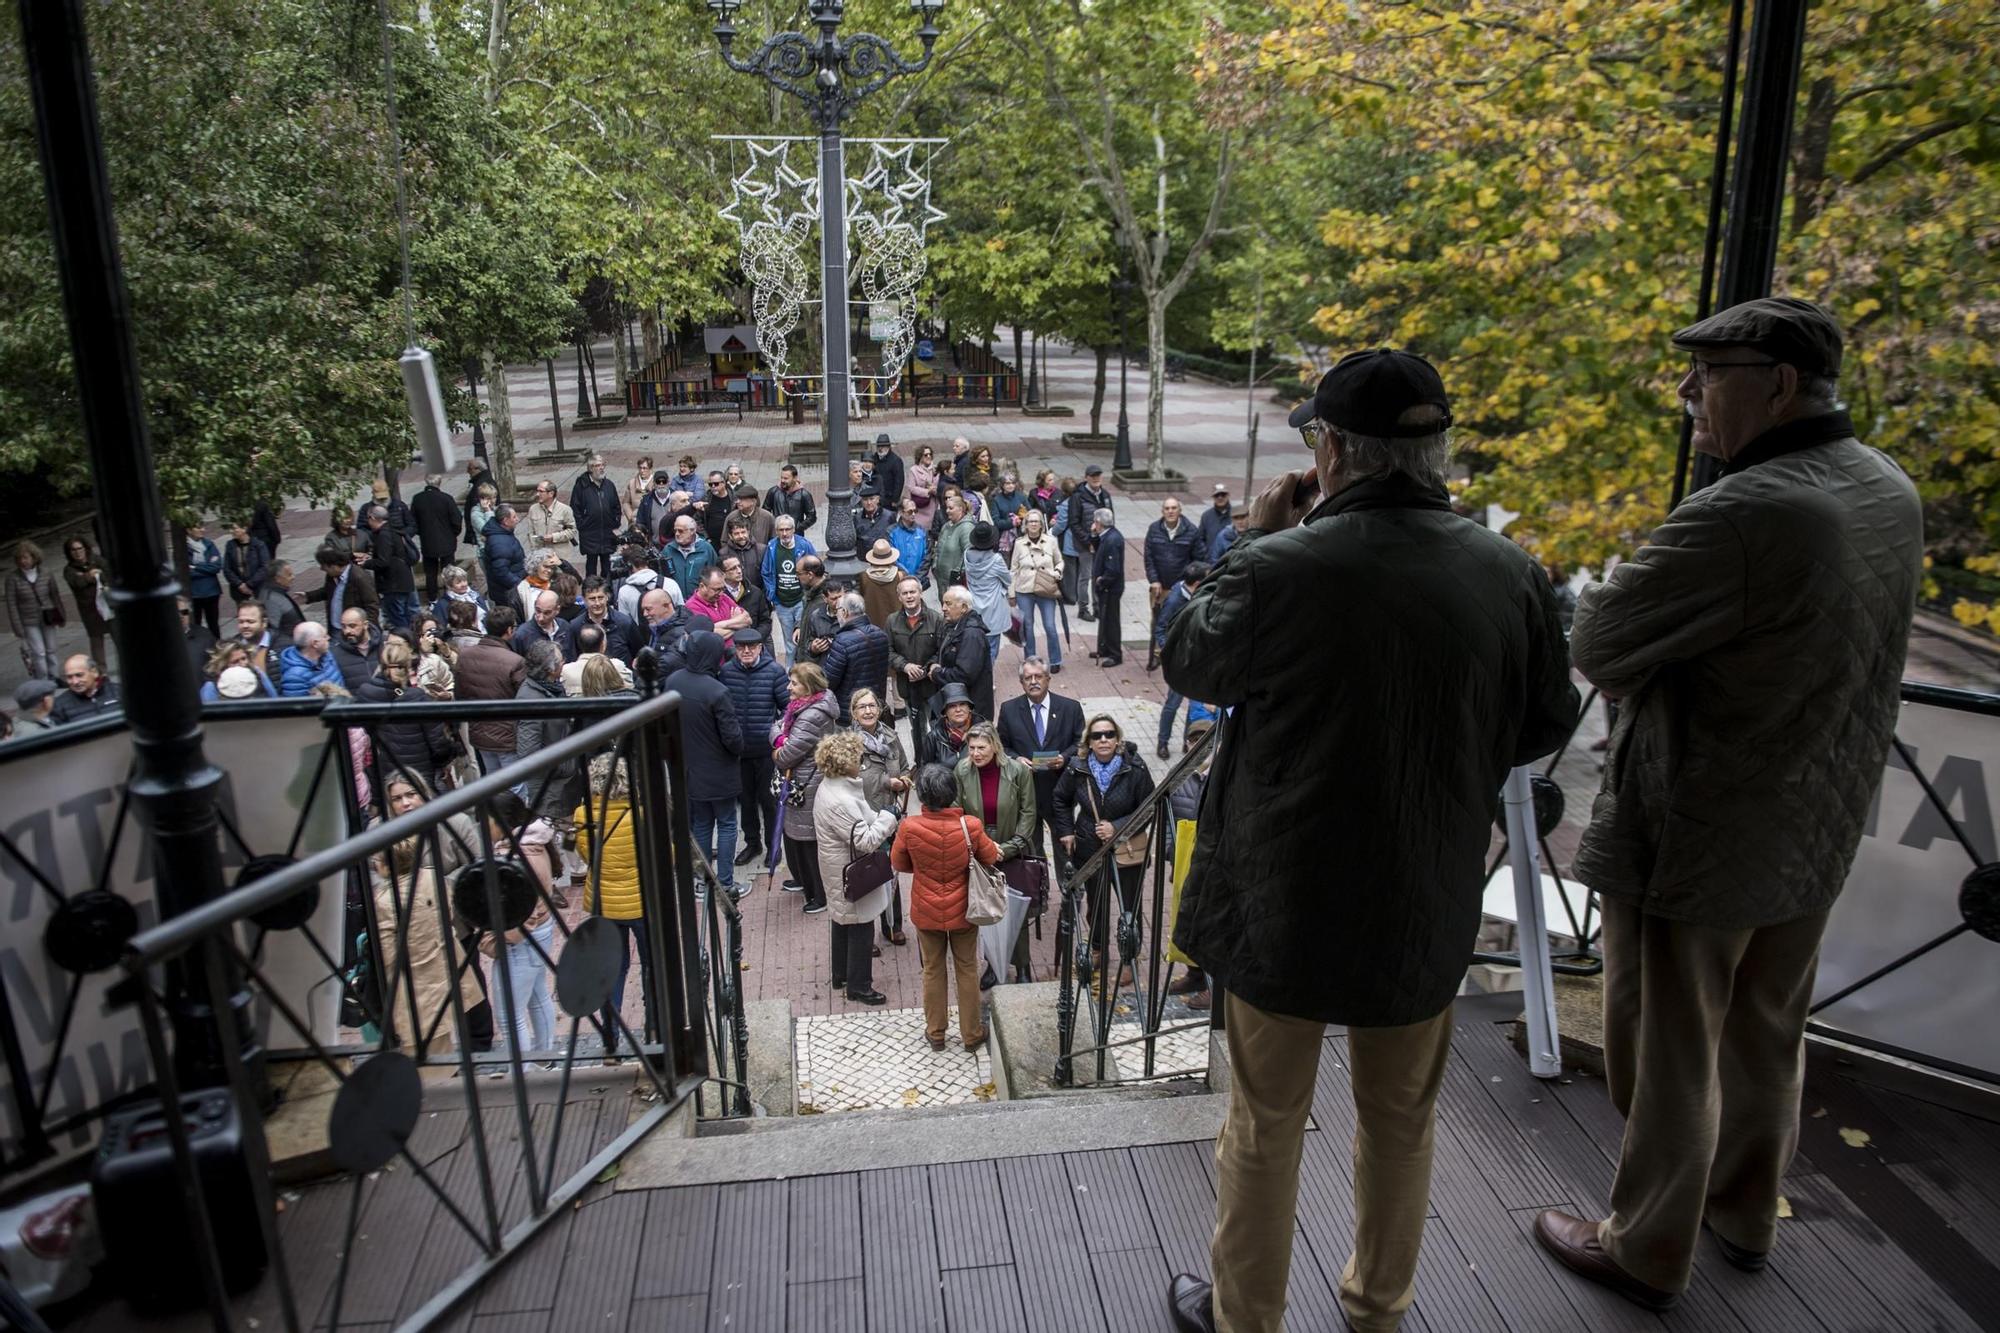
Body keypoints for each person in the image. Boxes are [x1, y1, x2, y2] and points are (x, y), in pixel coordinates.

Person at [1159, 348, 1579, 1333]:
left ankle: (1244, 1314)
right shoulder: (1508, 573)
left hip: (1283, 897)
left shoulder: (1274, 567)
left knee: (1263, 1122)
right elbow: (1542, 718)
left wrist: (1246, 539)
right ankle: (1378, 1307)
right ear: (1432, 454)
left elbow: (1191, 662)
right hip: (1420, 890)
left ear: (1332, 452)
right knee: (1400, 1121)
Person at [1533, 299, 1924, 1312]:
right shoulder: (1885, 487)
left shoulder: (1745, 509)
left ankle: (1641, 1245)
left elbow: (1602, 640)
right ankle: (1744, 1210)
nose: (1686, 396)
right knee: (1765, 1028)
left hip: (1702, 827)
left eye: (1707, 375)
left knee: (1664, 1044)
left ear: (1778, 384)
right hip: (1817, 817)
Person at [371, 774, 482, 1055]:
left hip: (454, 922)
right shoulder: (379, 830)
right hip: (407, 931)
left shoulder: (454, 823)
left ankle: (479, 1049)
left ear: (424, 792)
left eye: (411, 794)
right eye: (397, 798)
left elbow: (477, 866)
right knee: (420, 1003)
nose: (406, 803)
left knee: (469, 988)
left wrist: (436, 884)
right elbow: (371, 873)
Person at [891, 763, 999, 1049]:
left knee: (932, 969)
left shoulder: (910, 827)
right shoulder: (971, 826)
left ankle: (936, 1032)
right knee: (967, 968)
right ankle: (971, 1033)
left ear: (923, 796)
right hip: (965, 909)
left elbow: (899, 863)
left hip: (926, 910)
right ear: (952, 792)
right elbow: (989, 857)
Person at [1050, 715, 1154, 982]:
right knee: (1095, 903)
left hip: (1127, 850)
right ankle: (1097, 950)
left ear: (1118, 739)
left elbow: (1150, 808)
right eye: (1097, 736)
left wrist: (1116, 827)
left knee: (1129, 905)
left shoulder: (1136, 769)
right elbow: (1060, 798)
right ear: (1089, 742)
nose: (1104, 739)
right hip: (1089, 848)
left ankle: (1129, 958)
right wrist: (1066, 831)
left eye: (1109, 734)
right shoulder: (1077, 768)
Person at [812, 729, 899, 1005]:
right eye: (857, 758)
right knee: (861, 924)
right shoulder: (841, 799)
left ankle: (841, 975)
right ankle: (859, 986)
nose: (861, 762)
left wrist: (877, 817)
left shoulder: (834, 786)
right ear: (844, 763)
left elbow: (863, 817)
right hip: (850, 869)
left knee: (842, 919)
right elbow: (866, 840)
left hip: (835, 865)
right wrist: (889, 817)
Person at [576, 753, 650, 1062]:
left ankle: (611, 1040)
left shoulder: (583, 815)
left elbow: (584, 857)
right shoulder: (642, 814)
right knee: (652, 968)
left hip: (604, 903)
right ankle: (656, 1030)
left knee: (613, 971)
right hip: (641, 902)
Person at [953, 721, 1037, 981]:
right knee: (987, 910)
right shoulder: (962, 770)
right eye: (972, 747)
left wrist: (1012, 847)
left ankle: (1022, 967)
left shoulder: (1017, 771)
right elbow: (957, 811)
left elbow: (1028, 812)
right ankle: (992, 964)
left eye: (981, 747)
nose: (976, 753)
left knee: (1015, 910)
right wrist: (978, 846)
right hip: (978, 851)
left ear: (995, 746)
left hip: (1012, 848)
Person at [666, 631, 747, 898]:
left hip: (689, 768)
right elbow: (732, 737)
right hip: (719, 770)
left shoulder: (674, 681)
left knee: (701, 824)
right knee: (726, 824)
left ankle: (702, 881)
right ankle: (725, 883)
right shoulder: (717, 690)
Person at [482, 789, 559, 1063]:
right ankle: (545, 1059)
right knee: (537, 997)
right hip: (538, 933)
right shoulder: (531, 845)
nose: (482, 827)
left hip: (521, 939)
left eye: (486, 821)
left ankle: (523, 1074)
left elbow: (524, 909)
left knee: (509, 1014)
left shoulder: (516, 857)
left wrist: (502, 940)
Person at [997, 658, 1083, 864]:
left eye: (1038, 677)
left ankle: (1070, 891)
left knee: (1065, 847)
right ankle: (1038, 889)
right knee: (1032, 849)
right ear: (1021, 682)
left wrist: (1065, 758)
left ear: (1048, 679)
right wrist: (1016, 759)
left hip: (1060, 792)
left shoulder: (1070, 708)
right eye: (1028, 678)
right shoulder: (1009, 709)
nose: (1033, 681)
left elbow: (1081, 743)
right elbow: (1001, 745)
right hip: (1026, 794)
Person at [772, 662, 840, 912]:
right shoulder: (802, 706)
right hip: (800, 782)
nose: (789, 687)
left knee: (808, 841)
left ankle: (818, 895)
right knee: (796, 837)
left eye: (794, 683)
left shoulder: (812, 714)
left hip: (807, 784)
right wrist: (780, 736)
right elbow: (777, 725)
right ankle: (803, 881)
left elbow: (786, 755)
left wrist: (779, 744)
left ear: (808, 686)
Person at [849, 687, 912, 945]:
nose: (868, 710)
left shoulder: (890, 736)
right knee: (867, 875)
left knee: (890, 869)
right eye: (862, 706)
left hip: (890, 814)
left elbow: (905, 767)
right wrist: (889, 782)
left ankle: (892, 925)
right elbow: (858, 780)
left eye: (872, 705)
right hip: (863, 817)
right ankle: (867, 933)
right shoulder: (848, 744)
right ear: (853, 712)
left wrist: (905, 780)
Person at [354, 638, 457, 792]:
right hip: (419, 773)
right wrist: (444, 760)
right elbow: (438, 743)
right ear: (408, 666)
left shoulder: (365, 693)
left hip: (385, 771)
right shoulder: (418, 697)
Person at [723, 629, 788, 871]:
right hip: (739, 752)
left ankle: (773, 846)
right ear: (736, 649)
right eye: (742, 647)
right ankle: (752, 843)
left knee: (768, 801)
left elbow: (787, 709)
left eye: (752, 646)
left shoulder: (774, 672)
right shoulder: (727, 673)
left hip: (766, 751)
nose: (747, 651)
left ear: (761, 647)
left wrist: (778, 736)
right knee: (746, 801)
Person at [512, 640, 583, 820]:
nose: (564, 664)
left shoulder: (551, 688)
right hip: (550, 791)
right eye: (560, 662)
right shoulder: (531, 700)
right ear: (550, 669)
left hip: (563, 784)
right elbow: (528, 753)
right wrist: (563, 766)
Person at [455, 605, 527, 774]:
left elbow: (459, 694)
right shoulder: (515, 661)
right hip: (508, 737)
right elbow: (525, 700)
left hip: (479, 731)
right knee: (515, 785)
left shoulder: (464, 656)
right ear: (509, 630)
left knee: (492, 783)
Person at [1153, 562, 1209, 758]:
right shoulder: (1175, 599)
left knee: (1194, 704)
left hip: (1195, 661)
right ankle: (1163, 742)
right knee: (1173, 704)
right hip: (1180, 663)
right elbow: (1160, 629)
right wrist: (1172, 652)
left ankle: (1189, 740)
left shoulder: (1196, 596)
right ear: (1198, 582)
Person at [1144, 498, 1201, 672]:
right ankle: (1155, 656)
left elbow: (1197, 559)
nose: (1170, 511)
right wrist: (1154, 579)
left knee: (1179, 622)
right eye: (1167, 508)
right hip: (1159, 586)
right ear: (1162, 511)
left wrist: (1186, 583)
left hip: (1181, 587)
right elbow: (1149, 557)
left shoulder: (1191, 531)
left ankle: (1177, 656)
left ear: (1180, 510)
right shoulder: (1154, 529)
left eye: (1174, 508)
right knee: (1157, 622)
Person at [889, 575, 943, 756]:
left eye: (913, 592)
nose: (909, 596)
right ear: (899, 597)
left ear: (920, 593)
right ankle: (920, 763)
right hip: (908, 687)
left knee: (937, 727)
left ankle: (939, 762)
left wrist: (926, 668)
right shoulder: (892, 621)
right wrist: (904, 666)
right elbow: (887, 651)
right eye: (905, 593)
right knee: (917, 730)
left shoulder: (936, 619)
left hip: (932, 686)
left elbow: (942, 651)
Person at [823, 591, 890, 725]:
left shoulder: (842, 641)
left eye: (837, 611)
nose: (837, 615)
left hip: (850, 710)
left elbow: (828, 681)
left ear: (844, 612)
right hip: (874, 705)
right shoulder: (880, 634)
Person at [1009, 510, 1065, 672]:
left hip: (1045, 588)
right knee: (1027, 626)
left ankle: (1055, 660)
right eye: (1030, 521)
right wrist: (1011, 593)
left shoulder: (1051, 541)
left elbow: (1059, 561)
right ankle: (1030, 659)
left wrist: (1057, 573)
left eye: (1036, 521)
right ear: (1025, 525)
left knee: (1050, 626)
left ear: (1041, 524)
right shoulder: (1019, 543)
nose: (1033, 524)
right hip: (1024, 589)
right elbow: (1013, 569)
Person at [929, 587, 994, 721]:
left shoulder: (972, 634)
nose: (943, 608)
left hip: (971, 712)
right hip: (960, 707)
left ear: (964, 607)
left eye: (948, 603)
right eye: (943, 603)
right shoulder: (954, 626)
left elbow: (964, 675)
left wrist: (937, 673)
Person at [7, 541, 65, 680]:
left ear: (34, 557)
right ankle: (43, 679)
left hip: (48, 616)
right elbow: (12, 604)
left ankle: (55, 677)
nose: (23, 561)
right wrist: (18, 628)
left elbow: (54, 595)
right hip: (28, 620)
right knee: (39, 652)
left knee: (51, 649)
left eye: (26, 557)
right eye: (20, 558)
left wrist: (61, 615)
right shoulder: (12, 579)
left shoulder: (46, 573)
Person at [762, 514, 815, 664]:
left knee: (803, 637)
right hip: (782, 602)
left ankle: (805, 669)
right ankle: (791, 672)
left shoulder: (804, 545)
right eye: (781, 530)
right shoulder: (772, 547)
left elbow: (816, 567)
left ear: (793, 529)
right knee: (789, 642)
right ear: (776, 531)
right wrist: (772, 595)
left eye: (787, 529)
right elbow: (766, 571)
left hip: (801, 599)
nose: (784, 533)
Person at [1066, 465, 1112, 620]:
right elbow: (1074, 523)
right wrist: (1088, 541)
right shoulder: (1077, 497)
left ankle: (1097, 606)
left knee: (1098, 575)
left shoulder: (1105, 495)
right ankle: (1083, 608)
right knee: (1085, 576)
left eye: (1098, 475)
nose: (1096, 478)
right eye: (1093, 475)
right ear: (1086, 477)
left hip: (1102, 543)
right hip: (1085, 544)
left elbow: (1110, 519)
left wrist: (1107, 540)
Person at [362, 504, 419, 629]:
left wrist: (365, 563)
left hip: (393, 584)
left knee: (398, 619)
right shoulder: (395, 530)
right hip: (404, 579)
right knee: (408, 616)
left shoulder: (383, 535)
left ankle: (407, 642)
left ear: (372, 518)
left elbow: (383, 561)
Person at [60, 537, 112, 669]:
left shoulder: (97, 560)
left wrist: (101, 577)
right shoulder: (69, 570)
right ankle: (101, 671)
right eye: (73, 550)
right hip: (90, 609)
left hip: (107, 605)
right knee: (96, 641)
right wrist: (89, 576)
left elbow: (110, 574)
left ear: (85, 548)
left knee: (118, 635)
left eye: (79, 548)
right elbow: (77, 583)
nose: (77, 552)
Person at [962, 523, 1011, 665]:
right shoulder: (996, 560)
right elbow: (1008, 579)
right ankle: (986, 682)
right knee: (992, 648)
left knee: (976, 648)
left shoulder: (967, 555)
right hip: (994, 610)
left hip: (974, 608)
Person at [570, 455, 624, 580]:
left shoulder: (609, 484)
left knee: (607, 565)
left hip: (607, 532)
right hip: (590, 533)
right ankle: (591, 589)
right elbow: (575, 507)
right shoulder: (581, 486)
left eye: (602, 465)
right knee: (591, 566)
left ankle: (607, 590)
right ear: (590, 468)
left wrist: (615, 522)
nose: (601, 468)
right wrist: (582, 524)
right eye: (598, 465)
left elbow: (616, 505)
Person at [411, 473, 463, 601]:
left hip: (428, 541)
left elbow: (413, 521)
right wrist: (453, 533)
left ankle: (432, 599)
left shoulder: (417, 499)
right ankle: (451, 595)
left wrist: (422, 533)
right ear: (439, 483)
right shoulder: (446, 499)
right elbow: (456, 519)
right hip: (447, 541)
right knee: (450, 571)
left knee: (430, 573)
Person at [1088, 509, 1126, 666]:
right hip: (1107, 587)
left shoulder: (1112, 540)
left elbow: (1113, 569)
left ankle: (1115, 653)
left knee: (1111, 620)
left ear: (1098, 523)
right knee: (1104, 617)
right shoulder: (1106, 536)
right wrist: (1093, 535)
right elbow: (1097, 548)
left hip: (1110, 588)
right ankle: (1104, 647)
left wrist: (1101, 581)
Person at [311, 543, 380, 628]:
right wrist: (308, 596)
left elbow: (372, 605)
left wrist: (365, 629)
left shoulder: (359, 577)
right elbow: (328, 591)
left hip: (354, 631)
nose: (321, 569)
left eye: (323, 566)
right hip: (336, 627)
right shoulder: (332, 576)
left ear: (333, 566)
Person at [575, 576, 641, 663]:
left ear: (607, 597)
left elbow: (638, 655)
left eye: (600, 597)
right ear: (584, 600)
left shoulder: (625, 623)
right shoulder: (576, 626)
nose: (597, 603)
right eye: (592, 599)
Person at [523, 479, 580, 571]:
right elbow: (530, 533)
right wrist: (535, 552)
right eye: (537, 491)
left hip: (560, 557)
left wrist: (554, 537)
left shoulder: (565, 510)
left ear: (551, 493)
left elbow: (572, 531)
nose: (537, 494)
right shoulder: (533, 509)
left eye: (541, 491)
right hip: (541, 558)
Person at [685, 565, 751, 644]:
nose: (721, 593)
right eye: (717, 589)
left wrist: (720, 625)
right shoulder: (692, 606)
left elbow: (747, 619)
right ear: (702, 586)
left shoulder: (723, 597)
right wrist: (736, 625)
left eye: (723, 588)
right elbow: (709, 636)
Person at [481, 505, 528, 614]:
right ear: (506, 521)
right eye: (514, 517)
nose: (517, 519)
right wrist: (520, 585)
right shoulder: (500, 543)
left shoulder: (503, 535)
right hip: (506, 593)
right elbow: (501, 572)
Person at [661, 514, 719, 602]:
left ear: (692, 531)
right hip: (676, 602)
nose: (677, 534)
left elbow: (715, 575)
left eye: (680, 531)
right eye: (675, 530)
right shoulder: (668, 550)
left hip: (701, 602)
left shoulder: (706, 548)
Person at [278, 621, 344, 696]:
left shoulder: (327, 655)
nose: (329, 638)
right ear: (315, 643)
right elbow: (299, 706)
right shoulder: (295, 677)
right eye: (325, 636)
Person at [50, 654, 120, 724]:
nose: (75, 682)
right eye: (69, 677)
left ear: (94, 672)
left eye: (79, 675)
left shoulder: (119, 692)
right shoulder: (59, 705)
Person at [718, 554, 771, 647]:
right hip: (729, 646)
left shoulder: (755, 592)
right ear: (723, 574)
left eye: (739, 566)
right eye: (733, 568)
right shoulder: (718, 596)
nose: (739, 571)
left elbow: (765, 621)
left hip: (755, 643)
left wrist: (755, 638)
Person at [795, 566, 842, 667]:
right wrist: (813, 648)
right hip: (822, 666)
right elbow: (809, 641)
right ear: (825, 599)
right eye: (834, 599)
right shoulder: (816, 616)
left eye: (840, 597)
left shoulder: (851, 616)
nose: (838, 602)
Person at [183, 521, 223, 635]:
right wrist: (206, 568)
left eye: (203, 527)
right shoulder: (184, 548)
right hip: (195, 593)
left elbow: (216, 567)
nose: (203, 530)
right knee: (196, 624)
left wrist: (195, 567)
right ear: (189, 530)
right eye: (198, 527)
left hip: (211, 591)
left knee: (214, 624)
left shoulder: (209, 544)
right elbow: (186, 572)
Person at [925, 682, 978, 768]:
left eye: (962, 704)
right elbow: (926, 770)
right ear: (945, 711)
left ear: (969, 708)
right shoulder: (934, 737)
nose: (958, 709)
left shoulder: (983, 731)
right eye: (952, 706)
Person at [220, 521, 269, 612]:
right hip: (239, 591)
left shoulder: (258, 545)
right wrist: (239, 584)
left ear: (244, 529)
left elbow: (264, 567)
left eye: (234, 528)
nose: (231, 531)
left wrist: (249, 584)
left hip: (257, 589)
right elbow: (227, 568)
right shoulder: (230, 545)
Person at [512, 590, 576, 660]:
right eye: (538, 611)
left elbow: (571, 657)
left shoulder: (565, 627)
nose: (541, 618)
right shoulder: (522, 634)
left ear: (557, 610)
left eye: (547, 613)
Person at [331, 606, 381, 691]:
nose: (347, 631)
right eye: (343, 626)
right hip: (355, 703)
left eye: (352, 626)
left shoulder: (385, 644)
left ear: (365, 625)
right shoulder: (335, 653)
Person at [932, 492, 974, 591]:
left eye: (951, 508)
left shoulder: (967, 528)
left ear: (961, 509)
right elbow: (938, 548)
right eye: (946, 508)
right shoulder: (946, 526)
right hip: (941, 580)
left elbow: (968, 555)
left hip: (956, 583)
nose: (947, 511)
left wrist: (955, 576)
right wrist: (935, 566)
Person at [431, 564, 489, 636]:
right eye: (458, 582)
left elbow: (487, 617)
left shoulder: (475, 596)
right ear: (450, 586)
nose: (463, 584)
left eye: (464, 580)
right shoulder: (442, 605)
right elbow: (441, 629)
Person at [763, 462, 817, 534]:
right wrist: (774, 526)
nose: (782, 480)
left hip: (796, 536)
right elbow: (765, 512)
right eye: (781, 478)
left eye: (786, 478)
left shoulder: (804, 495)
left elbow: (812, 516)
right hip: (777, 535)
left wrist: (798, 528)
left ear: (794, 478)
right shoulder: (773, 492)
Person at [259, 560, 306, 638]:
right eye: (289, 575)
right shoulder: (270, 600)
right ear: (278, 578)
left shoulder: (278, 592)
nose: (293, 577)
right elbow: (272, 631)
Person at [618, 545, 664, 624]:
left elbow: (624, 623)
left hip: (639, 635)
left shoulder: (624, 592)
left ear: (628, 566)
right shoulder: (671, 584)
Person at [1196, 483, 1234, 558]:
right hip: (1211, 562)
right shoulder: (1206, 516)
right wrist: (1206, 554)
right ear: (1213, 497)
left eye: (1223, 494)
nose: (1220, 498)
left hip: (1231, 560)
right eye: (1217, 495)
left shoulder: (1235, 515)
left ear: (1228, 496)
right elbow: (1199, 539)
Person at [908, 444, 939, 526]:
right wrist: (927, 491)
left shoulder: (936, 469)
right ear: (920, 457)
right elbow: (912, 488)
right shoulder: (913, 470)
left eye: (930, 454)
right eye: (925, 455)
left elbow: (939, 485)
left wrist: (935, 489)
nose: (928, 456)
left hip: (933, 505)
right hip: (920, 505)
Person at [624, 455, 657, 527]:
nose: (642, 471)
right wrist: (631, 517)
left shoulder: (656, 483)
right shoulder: (632, 483)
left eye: (645, 468)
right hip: (635, 521)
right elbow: (626, 503)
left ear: (650, 469)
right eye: (640, 468)